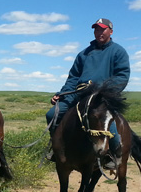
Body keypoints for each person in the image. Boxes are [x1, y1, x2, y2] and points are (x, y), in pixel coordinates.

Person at [46, 18, 130, 169]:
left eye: (102, 29)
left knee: (110, 127)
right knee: (52, 114)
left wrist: (104, 91)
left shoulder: (118, 51)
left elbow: (122, 76)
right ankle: (56, 148)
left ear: (110, 31)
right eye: (96, 29)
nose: (99, 33)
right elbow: (73, 77)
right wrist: (63, 93)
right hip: (79, 94)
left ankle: (112, 155)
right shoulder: (84, 54)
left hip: (102, 98)